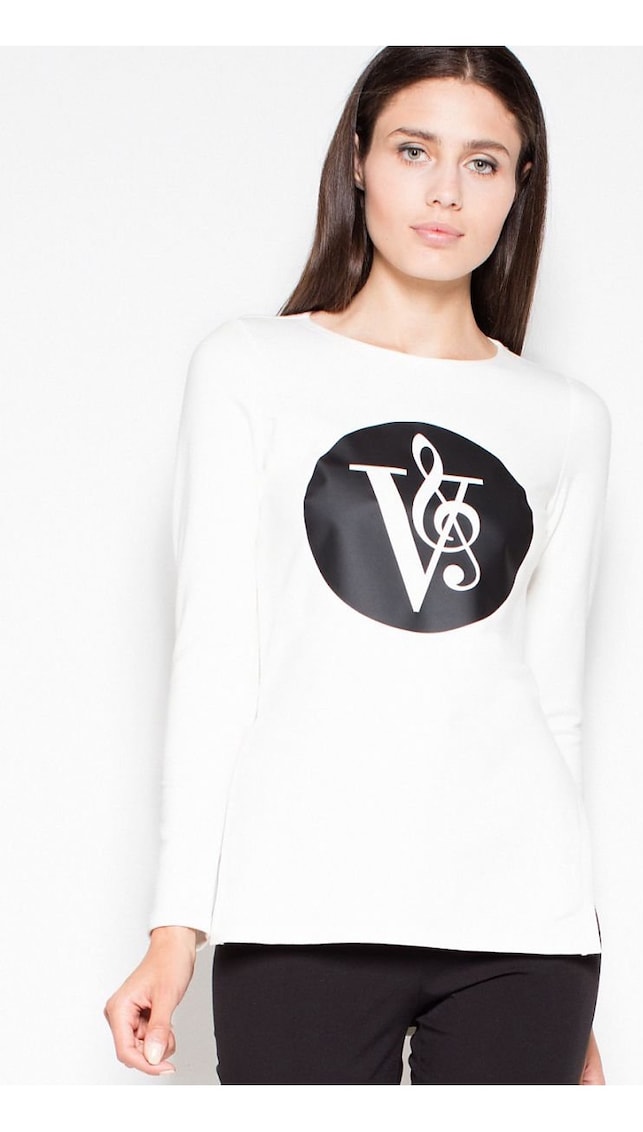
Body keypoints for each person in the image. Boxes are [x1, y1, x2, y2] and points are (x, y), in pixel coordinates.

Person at [104, 46, 611, 1085]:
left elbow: (552, 705)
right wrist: (175, 925)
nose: (445, 190)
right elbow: (215, 663)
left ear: (520, 186)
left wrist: (575, 960)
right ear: (359, 160)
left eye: (482, 162)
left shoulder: (565, 417)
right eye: (415, 150)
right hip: (301, 906)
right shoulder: (251, 367)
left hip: (524, 934)